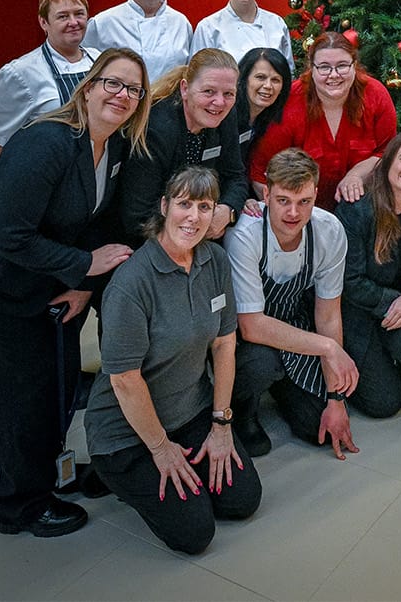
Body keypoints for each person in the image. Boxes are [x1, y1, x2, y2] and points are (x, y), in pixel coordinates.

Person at [0, 48, 150, 537]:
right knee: (20, 399)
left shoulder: (114, 147)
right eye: (112, 83)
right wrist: (84, 265)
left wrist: (81, 285)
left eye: (133, 89)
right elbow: (10, 236)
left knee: (60, 385)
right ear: (88, 86)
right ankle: (20, 506)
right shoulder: (45, 142)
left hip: (49, 285)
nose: (121, 95)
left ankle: (50, 477)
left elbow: (99, 221)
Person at [83, 166, 262, 554]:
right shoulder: (132, 283)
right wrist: (160, 448)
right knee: (195, 533)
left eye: (205, 205)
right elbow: (125, 380)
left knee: (242, 500)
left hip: (189, 413)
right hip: (128, 431)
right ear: (164, 206)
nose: (194, 217)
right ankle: (114, 476)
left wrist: (221, 424)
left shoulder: (213, 260)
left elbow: (224, 345)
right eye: (184, 204)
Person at [227, 148, 360, 460]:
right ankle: (243, 411)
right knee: (261, 363)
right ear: (266, 193)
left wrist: (335, 398)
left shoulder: (329, 230)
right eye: (283, 200)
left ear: (315, 194)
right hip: (248, 340)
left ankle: (285, 388)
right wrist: (328, 349)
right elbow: (251, 325)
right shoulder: (244, 237)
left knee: (319, 430)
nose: (293, 213)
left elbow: (327, 315)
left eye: (304, 202)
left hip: (294, 325)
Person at [333, 133, 401, 418]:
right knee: (384, 404)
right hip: (357, 313)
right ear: (388, 162)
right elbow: (350, 282)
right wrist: (399, 301)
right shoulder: (357, 210)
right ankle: (372, 358)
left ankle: (385, 354)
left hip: (397, 305)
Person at [248, 31, 397, 210]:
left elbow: (387, 152)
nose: (334, 75)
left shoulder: (376, 95)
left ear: (354, 65)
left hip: (359, 210)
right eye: (324, 67)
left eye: (342, 66)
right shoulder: (289, 102)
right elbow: (260, 173)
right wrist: (290, 215)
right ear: (312, 69)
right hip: (298, 213)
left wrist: (356, 175)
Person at [116, 48, 251, 243]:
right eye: (209, 91)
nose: (219, 102)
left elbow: (236, 176)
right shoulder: (157, 130)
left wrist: (227, 211)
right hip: (148, 238)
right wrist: (200, 225)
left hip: (198, 227)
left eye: (229, 93)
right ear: (185, 88)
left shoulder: (225, 115)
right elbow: (137, 216)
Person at [0, 0, 98, 160]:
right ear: (44, 22)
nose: (73, 22)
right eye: (63, 16)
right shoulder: (19, 73)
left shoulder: (100, 61)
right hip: (50, 176)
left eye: (79, 14)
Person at [234, 46, 292, 174]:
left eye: (275, 80)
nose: (268, 86)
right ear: (244, 79)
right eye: (260, 77)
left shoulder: (269, 117)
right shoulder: (227, 114)